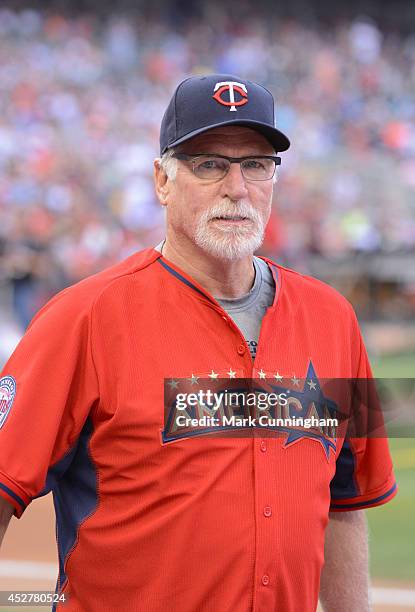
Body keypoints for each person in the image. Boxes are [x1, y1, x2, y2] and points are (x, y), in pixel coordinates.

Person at [0, 74, 397, 612]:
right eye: (209, 164)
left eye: (255, 164)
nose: (236, 187)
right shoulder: (83, 318)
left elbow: (347, 501)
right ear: (162, 181)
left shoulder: (335, 318)